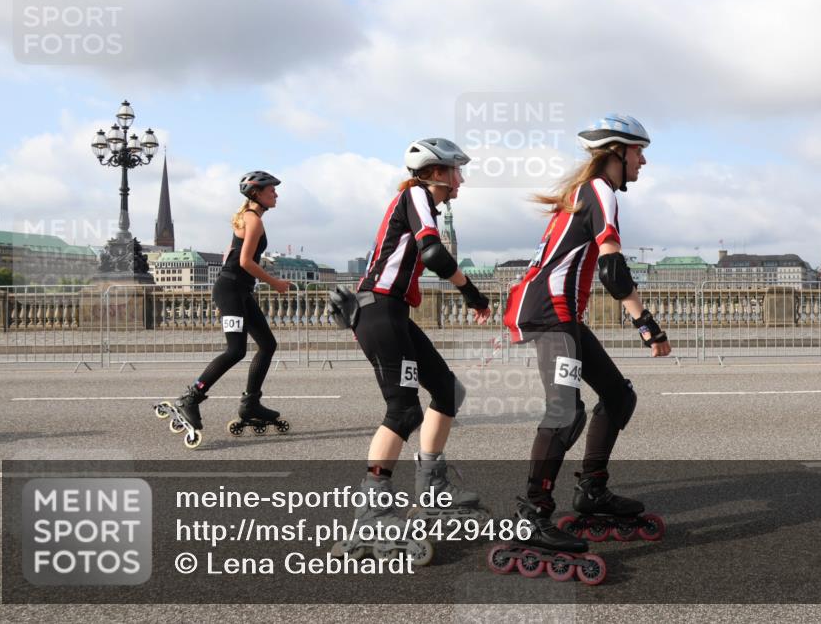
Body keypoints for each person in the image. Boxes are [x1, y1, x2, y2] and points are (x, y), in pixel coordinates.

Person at [502, 114, 670, 558]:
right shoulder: (599, 190)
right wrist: (647, 325)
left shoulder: (589, 194)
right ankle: (532, 513)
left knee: (618, 396)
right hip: (548, 313)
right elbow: (614, 269)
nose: (644, 161)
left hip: (564, 316)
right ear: (616, 152)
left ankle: (592, 491)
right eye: (638, 152)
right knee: (565, 412)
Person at [330, 138, 491, 562]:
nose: (461, 180)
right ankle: (373, 507)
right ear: (437, 172)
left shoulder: (421, 200)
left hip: (393, 313)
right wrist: (472, 294)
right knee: (403, 411)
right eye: (456, 170)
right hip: (380, 312)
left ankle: (432, 483)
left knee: (448, 391)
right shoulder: (416, 194)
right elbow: (433, 251)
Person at [154, 171, 291, 448]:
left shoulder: (248, 218)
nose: (276, 194)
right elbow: (244, 262)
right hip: (231, 290)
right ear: (256, 194)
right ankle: (191, 398)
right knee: (236, 350)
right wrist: (275, 282)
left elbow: (231, 253)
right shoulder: (252, 220)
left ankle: (251, 403)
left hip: (238, 291)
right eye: (271, 190)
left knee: (267, 344)